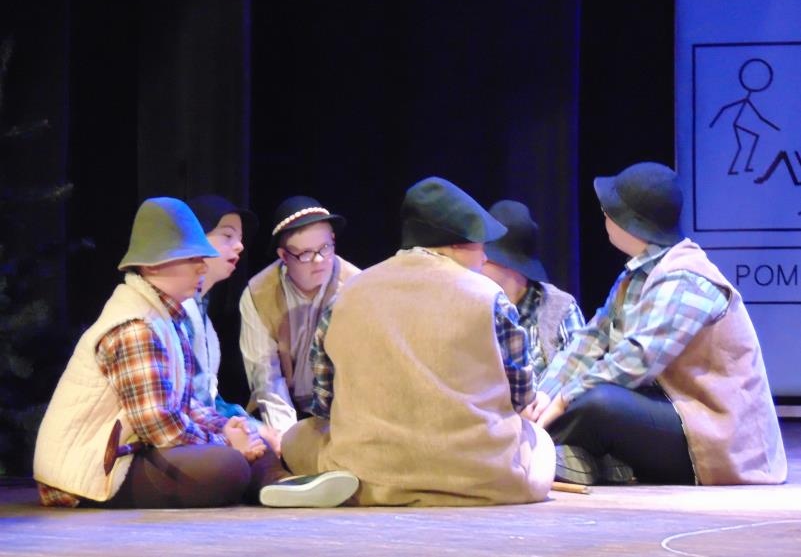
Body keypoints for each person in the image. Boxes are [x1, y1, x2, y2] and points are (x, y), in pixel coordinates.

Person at [33, 197, 358, 508]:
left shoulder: (167, 319)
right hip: (95, 472)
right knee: (227, 465)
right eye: (193, 259)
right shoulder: (135, 325)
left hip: (136, 450)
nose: (203, 267)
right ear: (156, 264)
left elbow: (186, 404)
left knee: (250, 442)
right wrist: (227, 443)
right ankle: (267, 481)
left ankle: (280, 484)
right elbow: (160, 426)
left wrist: (230, 429)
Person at [280, 177, 556, 507]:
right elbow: (521, 394)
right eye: (479, 246)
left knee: (296, 437)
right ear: (455, 245)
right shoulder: (490, 297)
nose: (484, 257)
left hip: (369, 473)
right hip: (483, 477)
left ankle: (337, 480)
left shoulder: (346, 295)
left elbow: (324, 401)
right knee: (540, 441)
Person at [534, 162, 787, 486]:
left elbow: (637, 359)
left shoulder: (686, 279)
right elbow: (592, 339)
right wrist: (543, 395)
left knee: (599, 404)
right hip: (674, 412)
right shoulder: (639, 273)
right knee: (585, 401)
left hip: (717, 436)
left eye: (610, 211)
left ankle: (525, 450)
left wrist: (563, 399)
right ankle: (578, 458)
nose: (604, 217)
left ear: (631, 223)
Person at [239, 195, 360, 438]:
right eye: (305, 253)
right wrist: (289, 440)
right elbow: (266, 376)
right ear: (284, 256)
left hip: (343, 412)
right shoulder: (259, 294)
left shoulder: (356, 286)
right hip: (285, 411)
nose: (319, 260)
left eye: (325, 248)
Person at [183, 195, 279, 455]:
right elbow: (186, 401)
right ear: (196, 239)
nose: (239, 246)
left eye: (240, 238)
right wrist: (244, 429)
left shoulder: (201, 312)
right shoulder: (176, 311)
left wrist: (252, 425)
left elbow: (208, 397)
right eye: (227, 236)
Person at [481, 200, 585, 382]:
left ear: (509, 265)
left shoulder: (561, 308)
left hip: (548, 400)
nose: (479, 261)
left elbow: (576, 372)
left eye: (486, 258)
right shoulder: (470, 304)